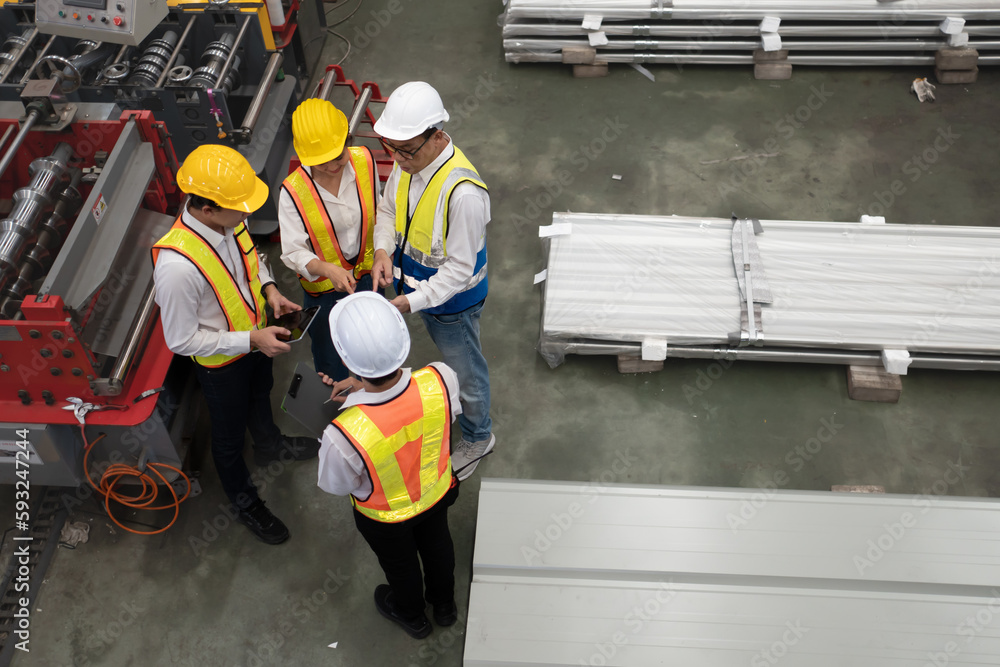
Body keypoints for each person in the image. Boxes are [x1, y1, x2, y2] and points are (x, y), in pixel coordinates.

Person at [152, 144, 318, 546]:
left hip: (256, 342)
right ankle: (246, 504)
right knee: (227, 441)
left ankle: (269, 445)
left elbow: (252, 261)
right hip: (222, 365)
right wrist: (249, 339)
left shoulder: (230, 220)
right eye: (239, 209)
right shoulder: (177, 268)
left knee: (261, 395)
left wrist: (271, 290)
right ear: (206, 209)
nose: (248, 215)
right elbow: (180, 339)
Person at [368, 81, 494, 481]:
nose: (399, 160)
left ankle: (478, 436)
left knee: (467, 371)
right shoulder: (408, 166)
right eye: (393, 149)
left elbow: (458, 270)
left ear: (437, 135)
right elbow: (388, 211)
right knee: (458, 365)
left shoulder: (463, 193)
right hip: (421, 294)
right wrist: (383, 251)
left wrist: (409, 302)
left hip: (453, 305)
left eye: (406, 150)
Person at [317, 292, 461, 639]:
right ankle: (444, 606)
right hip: (438, 493)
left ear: (346, 360)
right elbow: (445, 417)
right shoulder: (440, 378)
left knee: (400, 565)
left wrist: (353, 402)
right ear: (402, 341)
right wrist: (361, 387)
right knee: (438, 545)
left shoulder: (343, 434)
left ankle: (412, 616)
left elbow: (336, 485)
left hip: (386, 521)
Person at [278, 98, 380, 381]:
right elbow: (292, 251)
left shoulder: (364, 160)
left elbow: (380, 209)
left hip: (369, 276)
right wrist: (327, 269)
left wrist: (383, 251)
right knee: (330, 351)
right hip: (324, 291)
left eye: (338, 155)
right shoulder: (293, 192)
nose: (333, 166)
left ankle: (374, 393)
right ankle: (339, 406)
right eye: (321, 162)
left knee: (373, 339)